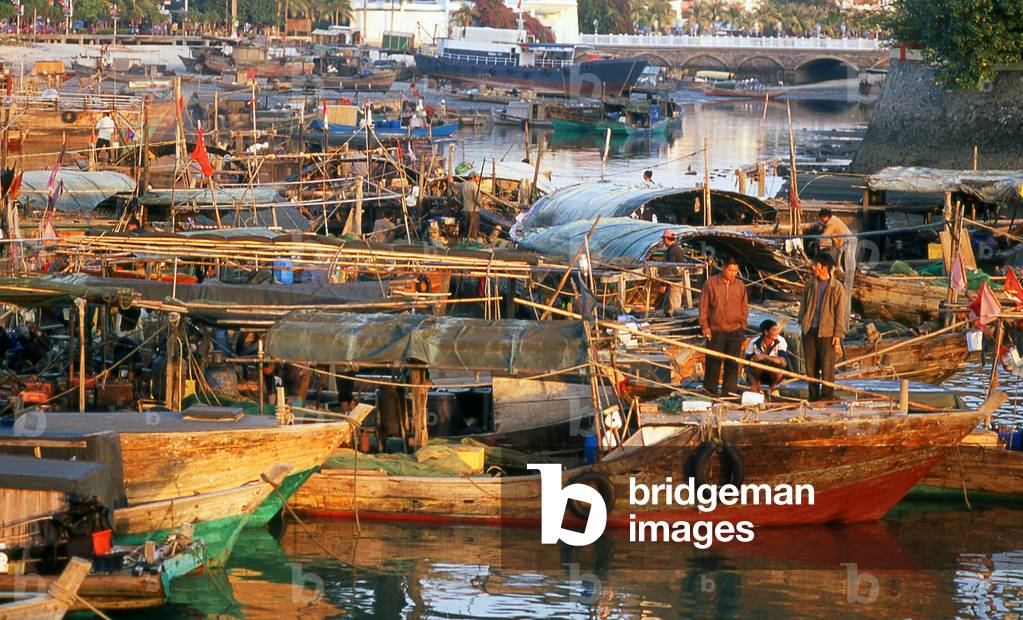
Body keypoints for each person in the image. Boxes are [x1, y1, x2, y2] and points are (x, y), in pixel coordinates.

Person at [797, 253, 847, 401]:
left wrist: (837, 336)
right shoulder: (810, 284)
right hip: (809, 330)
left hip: (827, 332)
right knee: (810, 368)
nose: (813, 267)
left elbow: (840, 314)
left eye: (816, 265)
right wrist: (802, 320)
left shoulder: (836, 287)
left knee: (827, 368)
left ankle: (826, 398)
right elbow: (804, 305)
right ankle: (813, 397)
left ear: (824, 267)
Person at [698, 256, 749, 395]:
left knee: (732, 364)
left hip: (735, 330)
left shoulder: (740, 285)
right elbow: (703, 308)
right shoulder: (710, 284)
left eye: (735, 270)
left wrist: (742, 324)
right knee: (713, 363)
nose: (733, 273)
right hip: (715, 330)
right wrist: (705, 326)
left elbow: (744, 306)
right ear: (723, 268)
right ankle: (710, 391)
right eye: (730, 270)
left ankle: (729, 393)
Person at [744, 319, 788, 396]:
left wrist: (765, 357)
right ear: (766, 332)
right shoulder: (753, 343)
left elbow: (783, 362)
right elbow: (746, 366)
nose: (777, 333)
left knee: (777, 367)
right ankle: (757, 385)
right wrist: (753, 383)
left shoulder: (781, 341)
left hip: (773, 375)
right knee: (758, 365)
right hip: (758, 375)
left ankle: (773, 386)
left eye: (777, 330)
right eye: (774, 330)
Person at [658, 229, 685, 316]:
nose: (663, 241)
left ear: (666, 239)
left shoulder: (673, 251)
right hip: (672, 282)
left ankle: (674, 326)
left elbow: (668, 269)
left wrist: (662, 284)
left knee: (673, 309)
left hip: (675, 282)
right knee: (667, 306)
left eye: (663, 239)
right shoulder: (674, 249)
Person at [459, 171, 482, 239]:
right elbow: (477, 199)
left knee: (467, 228)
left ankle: (466, 241)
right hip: (473, 211)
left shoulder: (464, 184)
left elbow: (456, 185)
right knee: (473, 230)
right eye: (477, 177)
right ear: (474, 177)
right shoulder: (474, 186)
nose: (478, 179)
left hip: (466, 210)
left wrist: (451, 182)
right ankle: (472, 244)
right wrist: (481, 204)